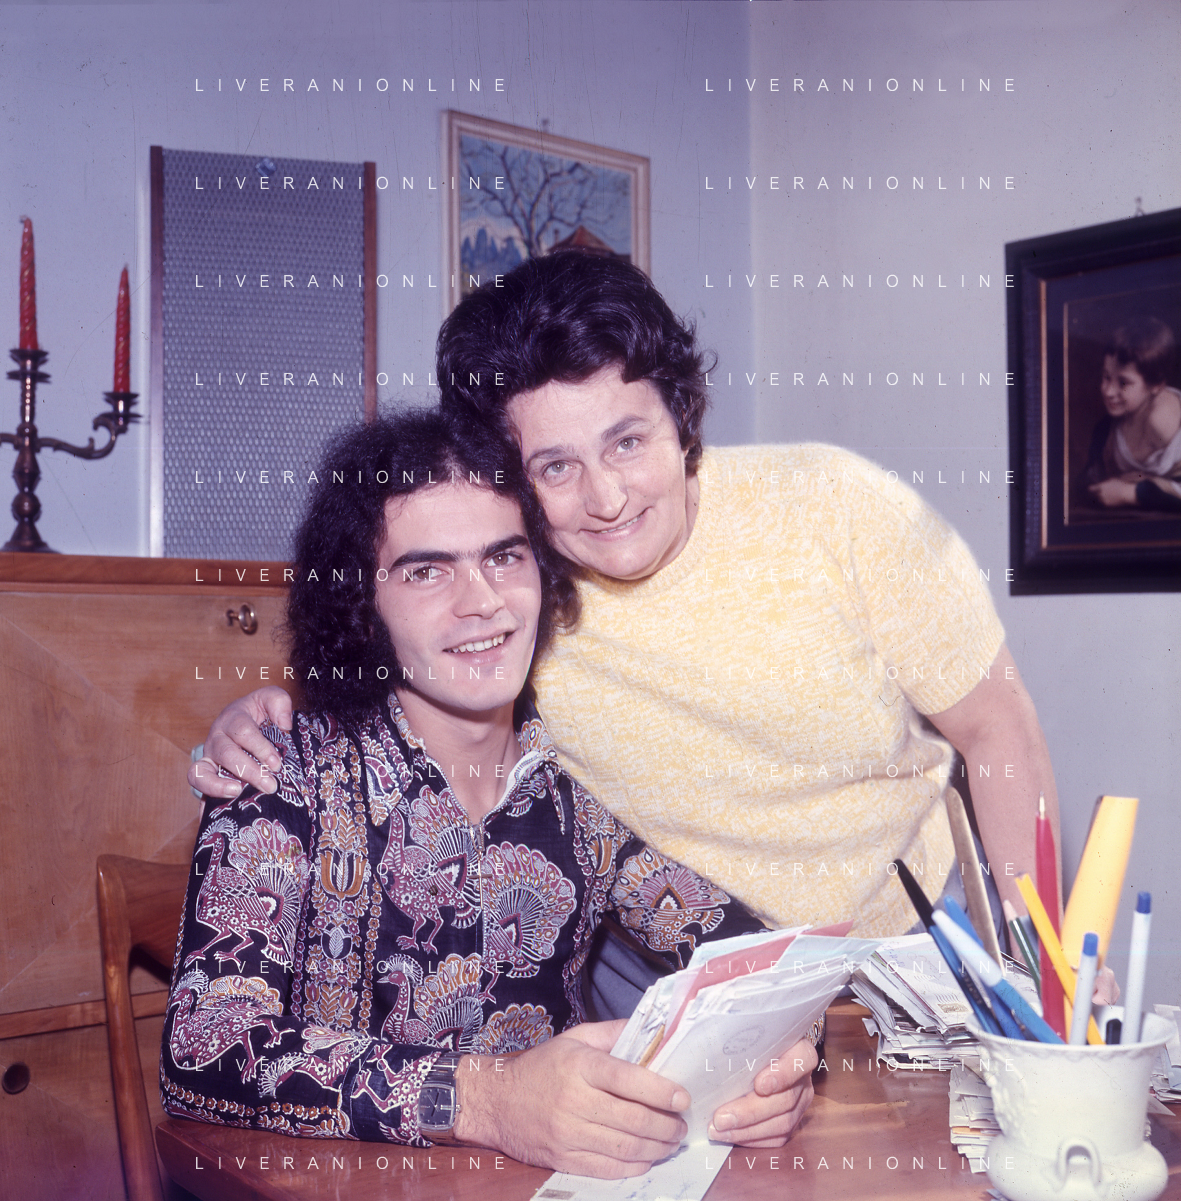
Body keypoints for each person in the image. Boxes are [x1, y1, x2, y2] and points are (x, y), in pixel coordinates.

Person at [193, 251, 1062, 1000]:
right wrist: (261, 715)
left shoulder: (838, 504)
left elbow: (996, 725)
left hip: (916, 929)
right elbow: (395, 660)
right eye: (555, 467)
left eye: (626, 442)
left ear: (680, 415)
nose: (605, 498)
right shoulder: (515, 588)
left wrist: (1039, 958)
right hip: (670, 971)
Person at [165, 408, 819, 1176]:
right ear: (360, 603)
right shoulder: (279, 772)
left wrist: (777, 1064)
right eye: (427, 570)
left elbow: (756, 961)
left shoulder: (585, 783)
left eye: (504, 556)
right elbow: (202, 1050)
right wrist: (487, 1100)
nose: (482, 600)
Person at [1083, 317, 1181, 512]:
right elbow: (1088, 482)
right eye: (1106, 377)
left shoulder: (1163, 423)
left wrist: (1131, 493)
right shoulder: (1106, 429)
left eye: (1123, 383)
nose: (1108, 391)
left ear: (1156, 385)